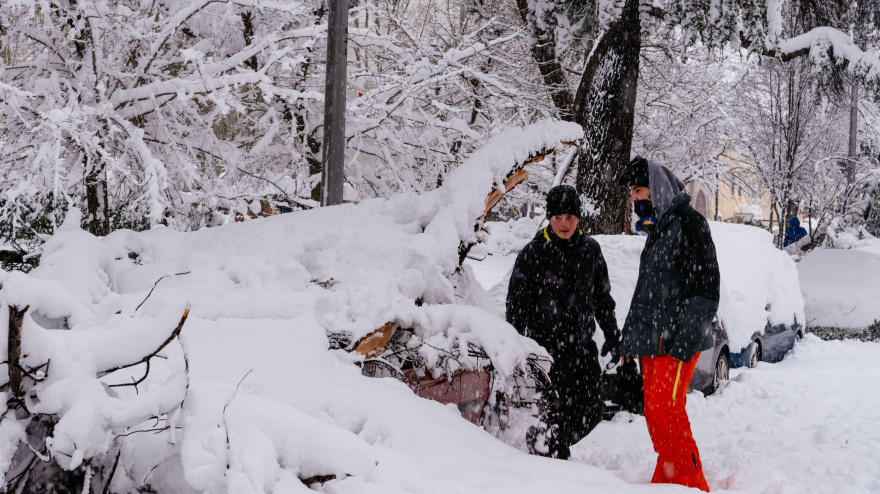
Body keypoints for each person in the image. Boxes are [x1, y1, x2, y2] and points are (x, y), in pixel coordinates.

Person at [617, 157, 720, 492]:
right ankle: (667, 482)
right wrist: (630, 341)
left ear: (657, 189)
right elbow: (645, 294)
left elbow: (705, 290)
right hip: (653, 342)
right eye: (631, 191)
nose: (633, 198)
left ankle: (692, 485)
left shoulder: (689, 224)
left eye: (638, 189)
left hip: (676, 342)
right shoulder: (658, 229)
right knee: (656, 415)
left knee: (667, 414)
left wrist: (684, 341)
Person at [506, 184, 620, 460]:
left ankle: (555, 446)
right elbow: (516, 305)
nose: (564, 224)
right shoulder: (533, 253)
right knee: (551, 417)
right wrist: (516, 344)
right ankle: (551, 460)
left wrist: (612, 333)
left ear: (578, 218)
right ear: (549, 218)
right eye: (558, 217)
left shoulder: (590, 250)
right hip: (545, 352)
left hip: (581, 349)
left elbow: (602, 296)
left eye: (570, 217)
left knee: (592, 410)